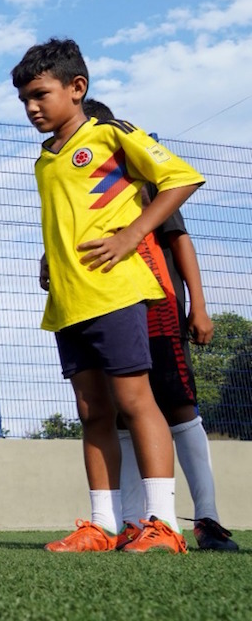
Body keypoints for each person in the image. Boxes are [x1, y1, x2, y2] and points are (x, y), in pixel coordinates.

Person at [12, 39, 204, 554]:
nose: (31, 107)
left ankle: (163, 526)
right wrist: (50, 258)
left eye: (39, 94)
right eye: (24, 100)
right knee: (92, 411)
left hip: (115, 291)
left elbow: (179, 178)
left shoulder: (108, 135)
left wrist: (130, 235)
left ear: (77, 88)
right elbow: (67, 218)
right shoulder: (45, 160)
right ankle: (102, 525)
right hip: (70, 300)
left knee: (134, 400)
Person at [79, 99, 238, 552]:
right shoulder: (72, 181)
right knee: (122, 408)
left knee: (178, 406)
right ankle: (132, 521)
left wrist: (199, 306)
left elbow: (178, 238)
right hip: (111, 303)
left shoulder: (137, 164)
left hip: (160, 301)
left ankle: (207, 519)